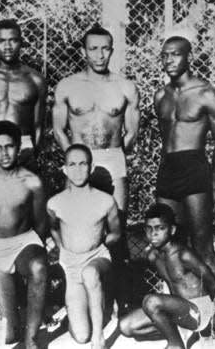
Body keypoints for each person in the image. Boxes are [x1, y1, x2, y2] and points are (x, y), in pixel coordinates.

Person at [52, 24, 140, 314]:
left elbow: (131, 132)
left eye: (105, 48)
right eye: (93, 48)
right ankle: (79, 298)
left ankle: (116, 299)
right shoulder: (67, 86)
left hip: (112, 158)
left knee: (117, 230)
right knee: (77, 228)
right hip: (78, 161)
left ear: (112, 50)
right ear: (83, 51)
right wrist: (74, 159)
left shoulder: (125, 87)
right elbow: (59, 129)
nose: (100, 55)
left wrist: (112, 155)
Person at [0, 121, 47, 349]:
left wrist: (36, 252)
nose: (4, 153)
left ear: (18, 146)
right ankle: (9, 307)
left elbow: (41, 223)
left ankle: (32, 339)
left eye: (10, 146)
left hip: (23, 242)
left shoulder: (31, 181)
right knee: (8, 337)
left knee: (38, 267)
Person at [154, 36, 215, 275]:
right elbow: (165, 142)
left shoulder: (206, 93)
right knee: (169, 244)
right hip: (169, 168)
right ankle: (181, 304)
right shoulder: (161, 96)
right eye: (165, 55)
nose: (169, 60)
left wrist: (213, 182)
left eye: (175, 54)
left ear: (188, 57)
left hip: (194, 167)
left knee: (202, 243)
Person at [48, 144, 121, 349]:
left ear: (91, 166)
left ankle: (99, 338)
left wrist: (98, 246)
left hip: (97, 258)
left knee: (90, 273)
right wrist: (62, 248)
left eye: (83, 164)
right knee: (80, 336)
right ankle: (82, 308)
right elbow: (53, 228)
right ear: (64, 169)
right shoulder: (55, 203)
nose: (78, 169)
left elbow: (116, 232)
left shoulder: (105, 200)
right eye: (72, 164)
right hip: (71, 265)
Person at [119, 204, 215, 349]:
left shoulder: (183, 254)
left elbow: (212, 281)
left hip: (198, 312)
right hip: (178, 312)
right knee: (126, 326)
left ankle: (175, 345)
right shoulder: (153, 256)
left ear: (172, 230)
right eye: (149, 229)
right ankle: (179, 333)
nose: (154, 234)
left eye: (160, 228)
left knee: (151, 301)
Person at [0, 19, 47, 170]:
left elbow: (39, 126)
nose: (7, 46)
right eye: (1, 41)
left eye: (13, 40)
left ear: (21, 42)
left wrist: (33, 155)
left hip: (23, 145)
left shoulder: (35, 80)